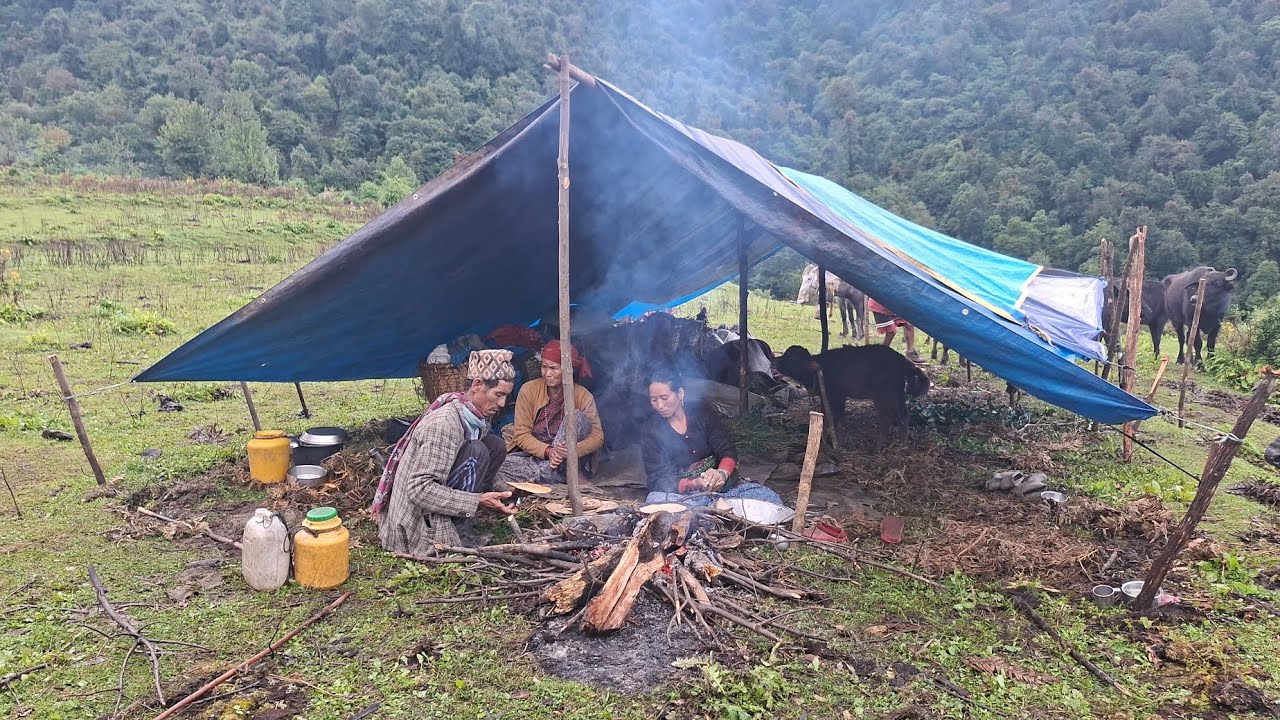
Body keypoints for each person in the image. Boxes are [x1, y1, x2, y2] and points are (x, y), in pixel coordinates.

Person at [372, 349, 517, 556]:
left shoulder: (474, 417)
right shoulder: (444, 424)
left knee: (494, 445)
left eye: (505, 396)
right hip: (413, 521)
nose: (502, 403)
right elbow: (419, 490)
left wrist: (506, 492)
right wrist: (476, 501)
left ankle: (463, 521)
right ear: (477, 385)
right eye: (498, 395)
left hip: (437, 494)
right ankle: (457, 526)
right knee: (477, 450)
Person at [641, 368, 783, 506]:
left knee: (770, 498)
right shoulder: (651, 431)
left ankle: (714, 507)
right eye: (654, 400)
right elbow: (657, 479)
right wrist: (693, 484)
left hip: (723, 490)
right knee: (654, 498)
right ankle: (713, 510)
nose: (659, 405)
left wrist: (721, 474)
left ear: (680, 394)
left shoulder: (702, 413)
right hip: (684, 497)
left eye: (664, 398)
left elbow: (727, 450)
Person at [499, 340, 605, 485]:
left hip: (569, 461)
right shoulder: (528, 390)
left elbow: (598, 437)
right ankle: (550, 475)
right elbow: (521, 435)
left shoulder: (583, 395)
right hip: (538, 457)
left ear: (569, 369)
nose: (547, 373)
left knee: (577, 417)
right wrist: (549, 451)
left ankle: (554, 474)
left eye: (553, 368)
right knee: (499, 466)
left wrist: (571, 450)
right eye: (544, 367)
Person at [867, 297, 920, 362]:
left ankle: (910, 353)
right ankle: (881, 354)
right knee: (891, 332)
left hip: (894, 304)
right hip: (880, 305)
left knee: (909, 324)